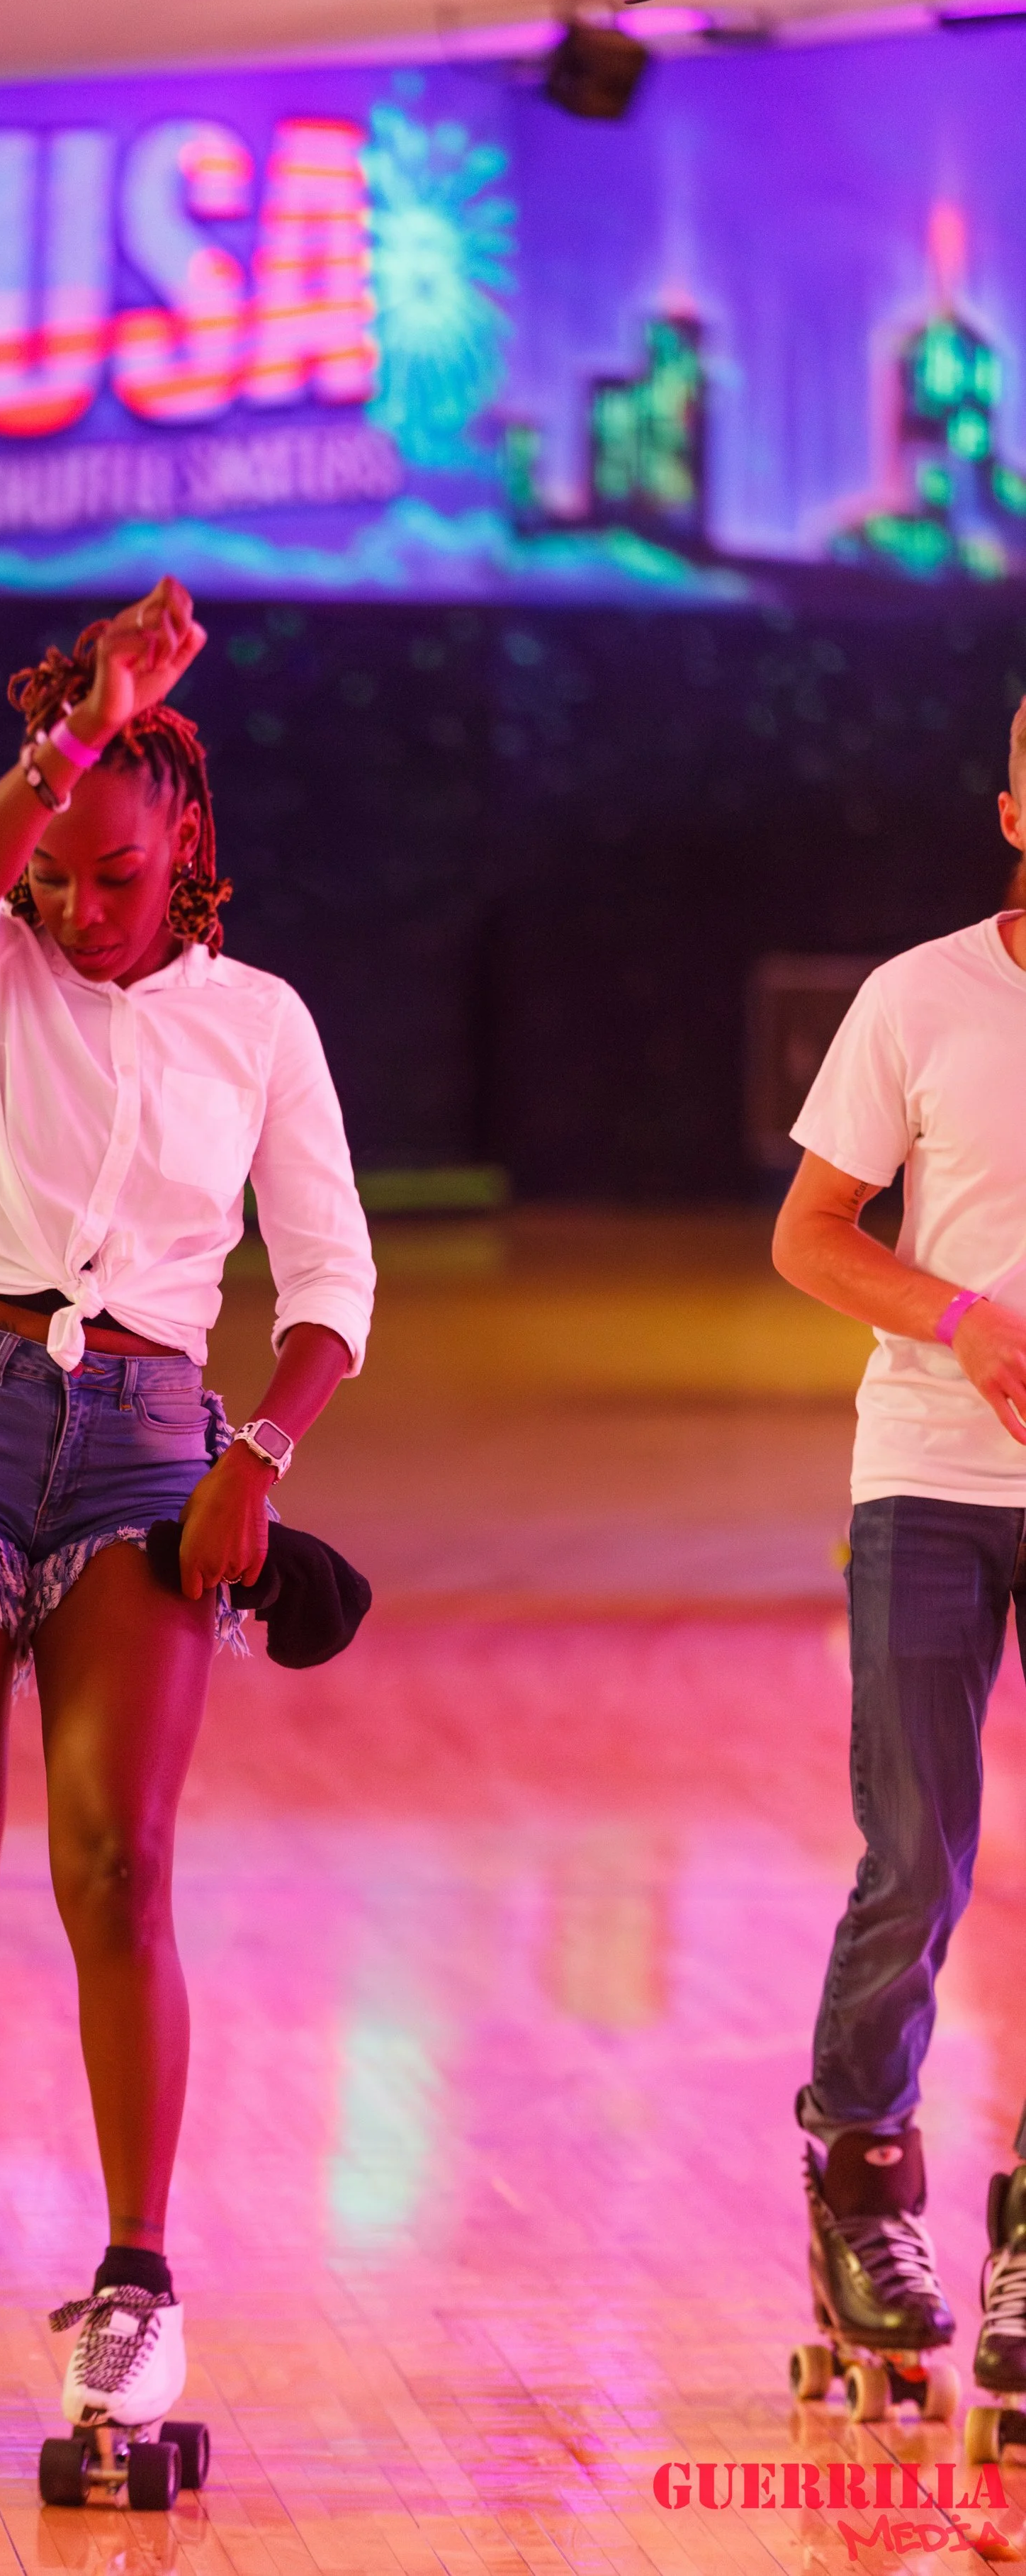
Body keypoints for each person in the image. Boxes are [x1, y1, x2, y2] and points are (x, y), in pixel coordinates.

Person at [0, 577, 376, 2456]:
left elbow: (330, 1281)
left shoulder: (259, 1023)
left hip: (152, 1448)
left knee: (121, 1866)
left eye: (112, 876)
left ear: (183, 842)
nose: (77, 907)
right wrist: (63, 747)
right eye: (58, 875)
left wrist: (253, 1456)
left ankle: (132, 2284)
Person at [774, 692, 1026, 2412]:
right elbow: (806, 1236)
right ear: (1011, 810)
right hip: (929, 1475)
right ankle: (860, 2179)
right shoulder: (918, 998)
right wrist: (964, 1321)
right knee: (917, 1851)